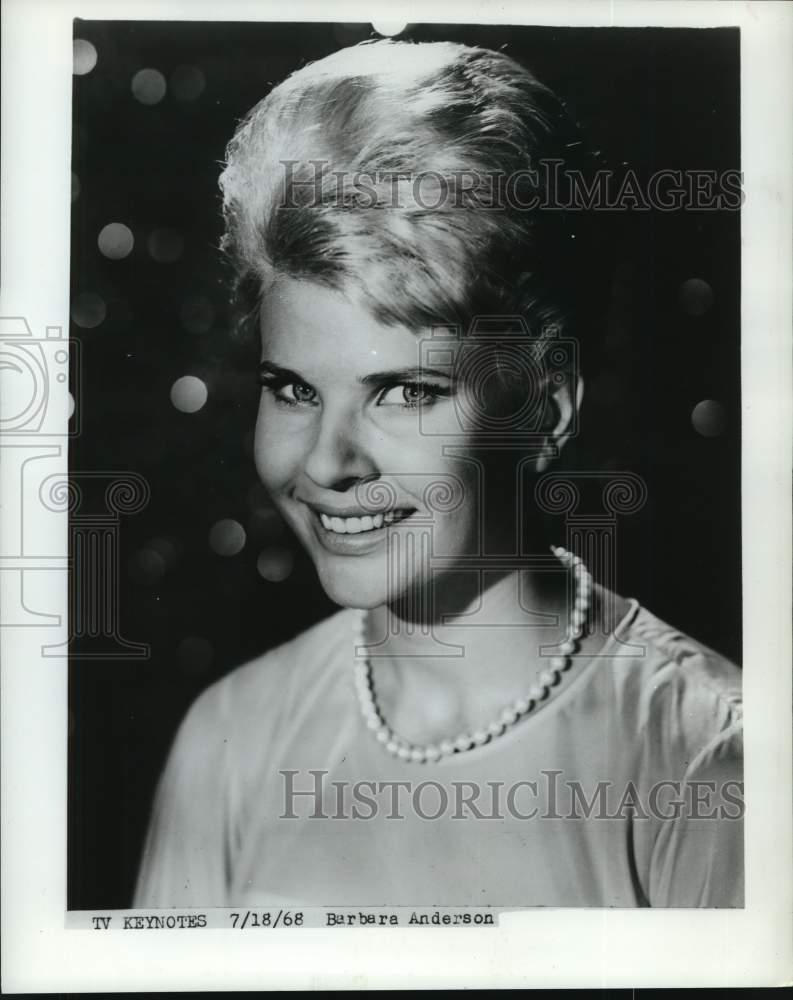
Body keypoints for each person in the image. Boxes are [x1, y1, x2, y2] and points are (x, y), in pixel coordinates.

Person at [134, 38, 743, 909]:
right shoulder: (227, 743)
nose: (326, 462)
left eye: (405, 391)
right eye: (294, 388)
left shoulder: (705, 761)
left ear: (545, 410)